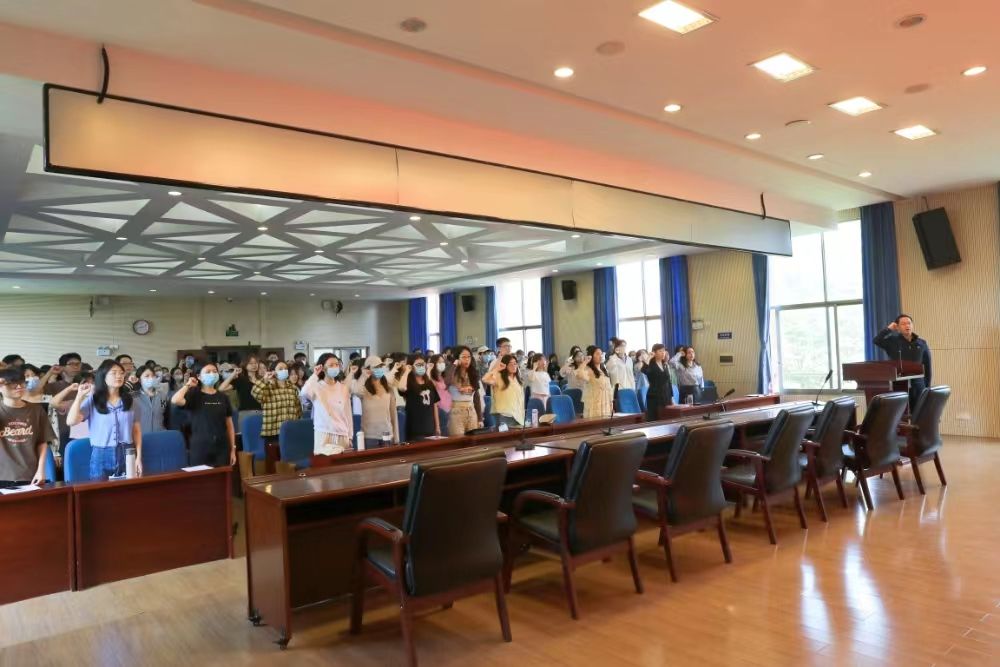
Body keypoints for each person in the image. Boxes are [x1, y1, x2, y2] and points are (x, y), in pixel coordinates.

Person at [67, 360, 143, 480]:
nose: (119, 376)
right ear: (103, 376)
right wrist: (79, 397)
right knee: (100, 489)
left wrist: (138, 457)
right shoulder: (93, 400)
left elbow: (136, 431)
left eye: (121, 373)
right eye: (114, 373)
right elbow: (71, 421)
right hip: (101, 454)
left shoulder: (130, 400)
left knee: (128, 489)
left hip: (127, 451)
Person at [170, 363, 236, 467]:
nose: (212, 374)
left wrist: (233, 448)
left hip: (222, 446)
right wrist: (188, 385)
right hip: (200, 447)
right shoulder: (194, 395)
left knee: (222, 475)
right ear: (199, 376)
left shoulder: (223, 397)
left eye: (214, 371)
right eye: (208, 372)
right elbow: (175, 400)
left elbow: (230, 425)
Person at [0, 367, 54, 485]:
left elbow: (42, 442)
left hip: (30, 474)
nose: (19, 387)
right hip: (2, 475)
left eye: (21, 382)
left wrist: (41, 470)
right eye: (12, 384)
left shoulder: (37, 410)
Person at [873, 314, 932, 408]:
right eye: (903, 324)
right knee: (901, 413)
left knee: (919, 413)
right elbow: (876, 340)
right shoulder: (892, 341)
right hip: (899, 386)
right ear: (897, 327)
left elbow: (927, 366)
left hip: (918, 386)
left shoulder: (921, 343)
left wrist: (927, 387)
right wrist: (888, 329)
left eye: (909, 323)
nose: (907, 326)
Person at [301, 354, 354, 455]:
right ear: (323, 368)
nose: (335, 367)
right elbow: (304, 393)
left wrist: (350, 436)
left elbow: (348, 414)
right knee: (323, 463)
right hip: (323, 433)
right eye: (331, 365)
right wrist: (315, 375)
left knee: (343, 464)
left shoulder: (343, 388)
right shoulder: (316, 386)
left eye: (337, 364)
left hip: (342, 434)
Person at [251, 361, 303, 451]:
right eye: (280, 369)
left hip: (291, 430)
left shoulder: (292, 387)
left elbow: (298, 410)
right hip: (273, 432)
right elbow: (255, 393)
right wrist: (265, 379)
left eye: (285, 369)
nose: (284, 370)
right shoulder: (268, 387)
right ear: (273, 371)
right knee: (275, 458)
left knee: (292, 457)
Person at [350, 356, 399, 446]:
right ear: (368, 369)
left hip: (387, 434)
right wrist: (364, 375)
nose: (379, 369)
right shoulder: (364, 389)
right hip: (369, 436)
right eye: (376, 367)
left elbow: (393, 413)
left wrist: (396, 437)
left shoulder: (388, 388)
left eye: (380, 366)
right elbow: (356, 391)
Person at [396, 356, 441, 440]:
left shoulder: (429, 383)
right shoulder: (409, 384)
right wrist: (407, 371)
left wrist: (437, 426)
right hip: (414, 429)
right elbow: (401, 388)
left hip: (429, 427)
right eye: (418, 365)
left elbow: (434, 405)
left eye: (423, 364)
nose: (421, 367)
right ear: (411, 366)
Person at [445, 346, 482, 436]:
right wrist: (454, 365)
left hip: (471, 410)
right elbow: (447, 381)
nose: (467, 360)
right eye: (464, 357)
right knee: (458, 440)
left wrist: (480, 418)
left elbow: (476, 396)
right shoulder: (451, 371)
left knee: (473, 440)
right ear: (457, 358)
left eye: (469, 357)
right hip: (456, 412)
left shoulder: (472, 373)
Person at [482, 354, 525, 428]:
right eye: (510, 364)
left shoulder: (517, 379)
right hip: (504, 415)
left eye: (515, 363)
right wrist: (497, 369)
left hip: (518, 416)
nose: (513, 366)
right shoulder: (499, 377)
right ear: (505, 366)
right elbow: (485, 379)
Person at [576, 345, 613, 419]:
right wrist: (585, 361)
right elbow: (579, 374)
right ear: (591, 356)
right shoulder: (588, 370)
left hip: (605, 405)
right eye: (597, 354)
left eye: (601, 354)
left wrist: (611, 403)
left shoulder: (604, 370)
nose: (600, 356)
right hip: (593, 405)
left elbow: (609, 389)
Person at [642, 344, 674, 422]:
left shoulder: (665, 364)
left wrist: (671, 397)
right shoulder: (651, 365)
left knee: (667, 419)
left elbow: (669, 382)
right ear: (654, 353)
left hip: (666, 396)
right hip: (654, 396)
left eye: (664, 351)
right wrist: (649, 357)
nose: (663, 353)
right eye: (660, 351)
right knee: (655, 420)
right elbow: (644, 370)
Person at [133, 367, 168, 434]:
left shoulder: (162, 396)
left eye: (153, 376)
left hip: (160, 434)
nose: (151, 378)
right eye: (147, 376)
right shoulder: (133, 397)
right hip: (141, 436)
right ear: (139, 380)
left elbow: (165, 414)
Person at [427, 353, 452, 427]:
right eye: (439, 362)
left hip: (449, 409)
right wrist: (429, 369)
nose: (442, 364)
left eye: (443, 362)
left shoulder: (444, 377)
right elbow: (427, 383)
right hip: (440, 410)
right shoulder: (431, 379)